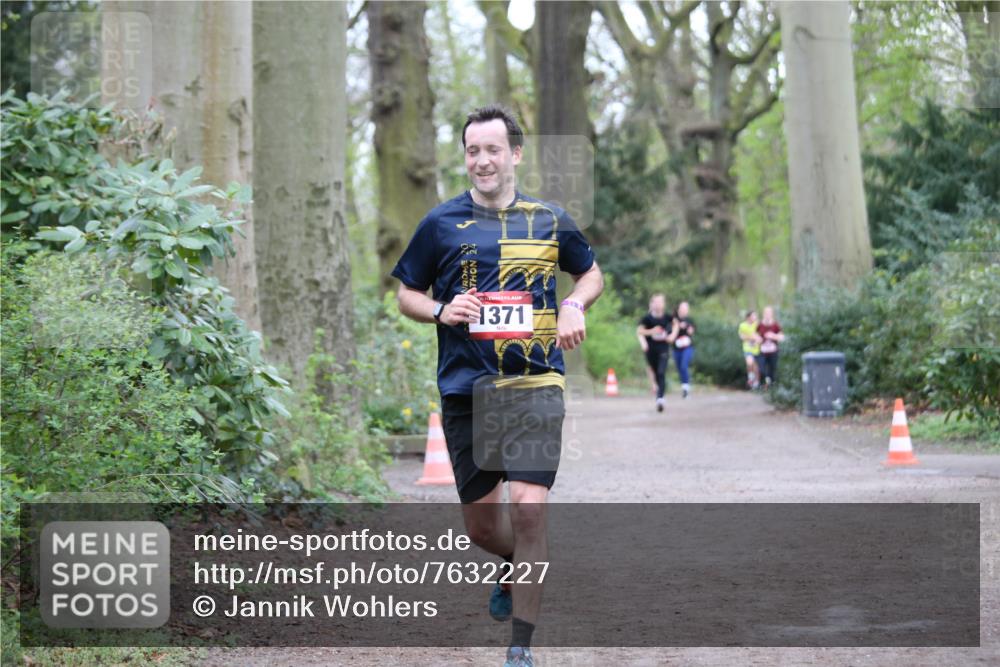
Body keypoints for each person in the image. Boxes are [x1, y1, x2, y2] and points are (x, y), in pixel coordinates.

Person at [392, 104, 603, 667]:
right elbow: (405, 292)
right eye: (472, 150)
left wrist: (574, 304)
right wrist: (441, 308)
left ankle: (520, 648)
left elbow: (590, 272)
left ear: (514, 153)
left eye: (492, 149)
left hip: (535, 384)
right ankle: (509, 563)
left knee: (530, 510)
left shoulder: (549, 218)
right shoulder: (440, 224)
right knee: (485, 528)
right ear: (465, 157)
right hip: (468, 389)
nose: (481, 160)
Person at [637, 293, 672, 412]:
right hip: (651, 350)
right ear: (652, 304)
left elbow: (676, 325)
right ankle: (657, 389)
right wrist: (651, 332)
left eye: (660, 302)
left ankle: (660, 398)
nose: (658, 304)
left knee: (661, 372)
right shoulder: (647, 318)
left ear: (664, 304)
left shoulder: (668, 317)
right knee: (656, 373)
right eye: (656, 302)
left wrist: (672, 336)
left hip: (663, 349)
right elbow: (640, 331)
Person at [757, 305, 785, 388]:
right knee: (762, 369)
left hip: (773, 351)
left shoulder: (775, 325)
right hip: (762, 351)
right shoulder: (760, 324)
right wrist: (757, 339)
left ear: (772, 314)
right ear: (763, 314)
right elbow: (755, 335)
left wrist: (773, 336)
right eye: (766, 313)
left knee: (772, 370)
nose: (767, 314)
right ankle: (764, 383)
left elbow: (782, 337)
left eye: (769, 313)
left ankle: (771, 387)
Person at [671, 301, 695, 398]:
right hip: (676, 348)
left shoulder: (690, 320)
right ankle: (684, 385)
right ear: (679, 309)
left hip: (687, 347)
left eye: (686, 308)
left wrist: (688, 328)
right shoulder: (673, 320)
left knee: (684, 365)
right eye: (683, 308)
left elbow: (691, 331)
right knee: (680, 368)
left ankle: (686, 388)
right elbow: (669, 331)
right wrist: (677, 326)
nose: (684, 310)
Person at [738, 310, 762, 390]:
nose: (755, 318)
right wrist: (752, 337)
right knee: (749, 362)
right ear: (748, 317)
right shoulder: (743, 325)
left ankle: (756, 384)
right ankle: (750, 378)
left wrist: (756, 338)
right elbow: (742, 337)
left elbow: (761, 336)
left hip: (757, 349)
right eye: (753, 316)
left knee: (756, 367)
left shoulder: (758, 325)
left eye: (756, 316)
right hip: (747, 348)